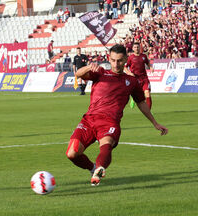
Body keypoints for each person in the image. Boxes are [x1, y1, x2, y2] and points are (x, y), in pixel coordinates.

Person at [67, 44, 168, 186]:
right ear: (109, 58)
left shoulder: (132, 82)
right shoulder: (100, 73)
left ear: (126, 59)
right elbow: (78, 74)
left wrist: (155, 123)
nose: (116, 64)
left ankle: (100, 169)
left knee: (106, 144)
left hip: (110, 122)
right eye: (113, 60)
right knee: (72, 153)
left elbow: (141, 103)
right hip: (89, 119)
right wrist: (90, 67)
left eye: (120, 60)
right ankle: (93, 168)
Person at [125, 42, 153, 109]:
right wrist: (129, 73)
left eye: (138, 47)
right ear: (133, 48)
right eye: (135, 47)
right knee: (137, 95)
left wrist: (151, 67)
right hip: (135, 79)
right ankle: (133, 99)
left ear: (140, 48)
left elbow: (148, 62)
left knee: (147, 93)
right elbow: (125, 67)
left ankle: (148, 110)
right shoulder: (130, 58)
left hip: (144, 78)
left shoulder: (143, 56)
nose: (136, 48)